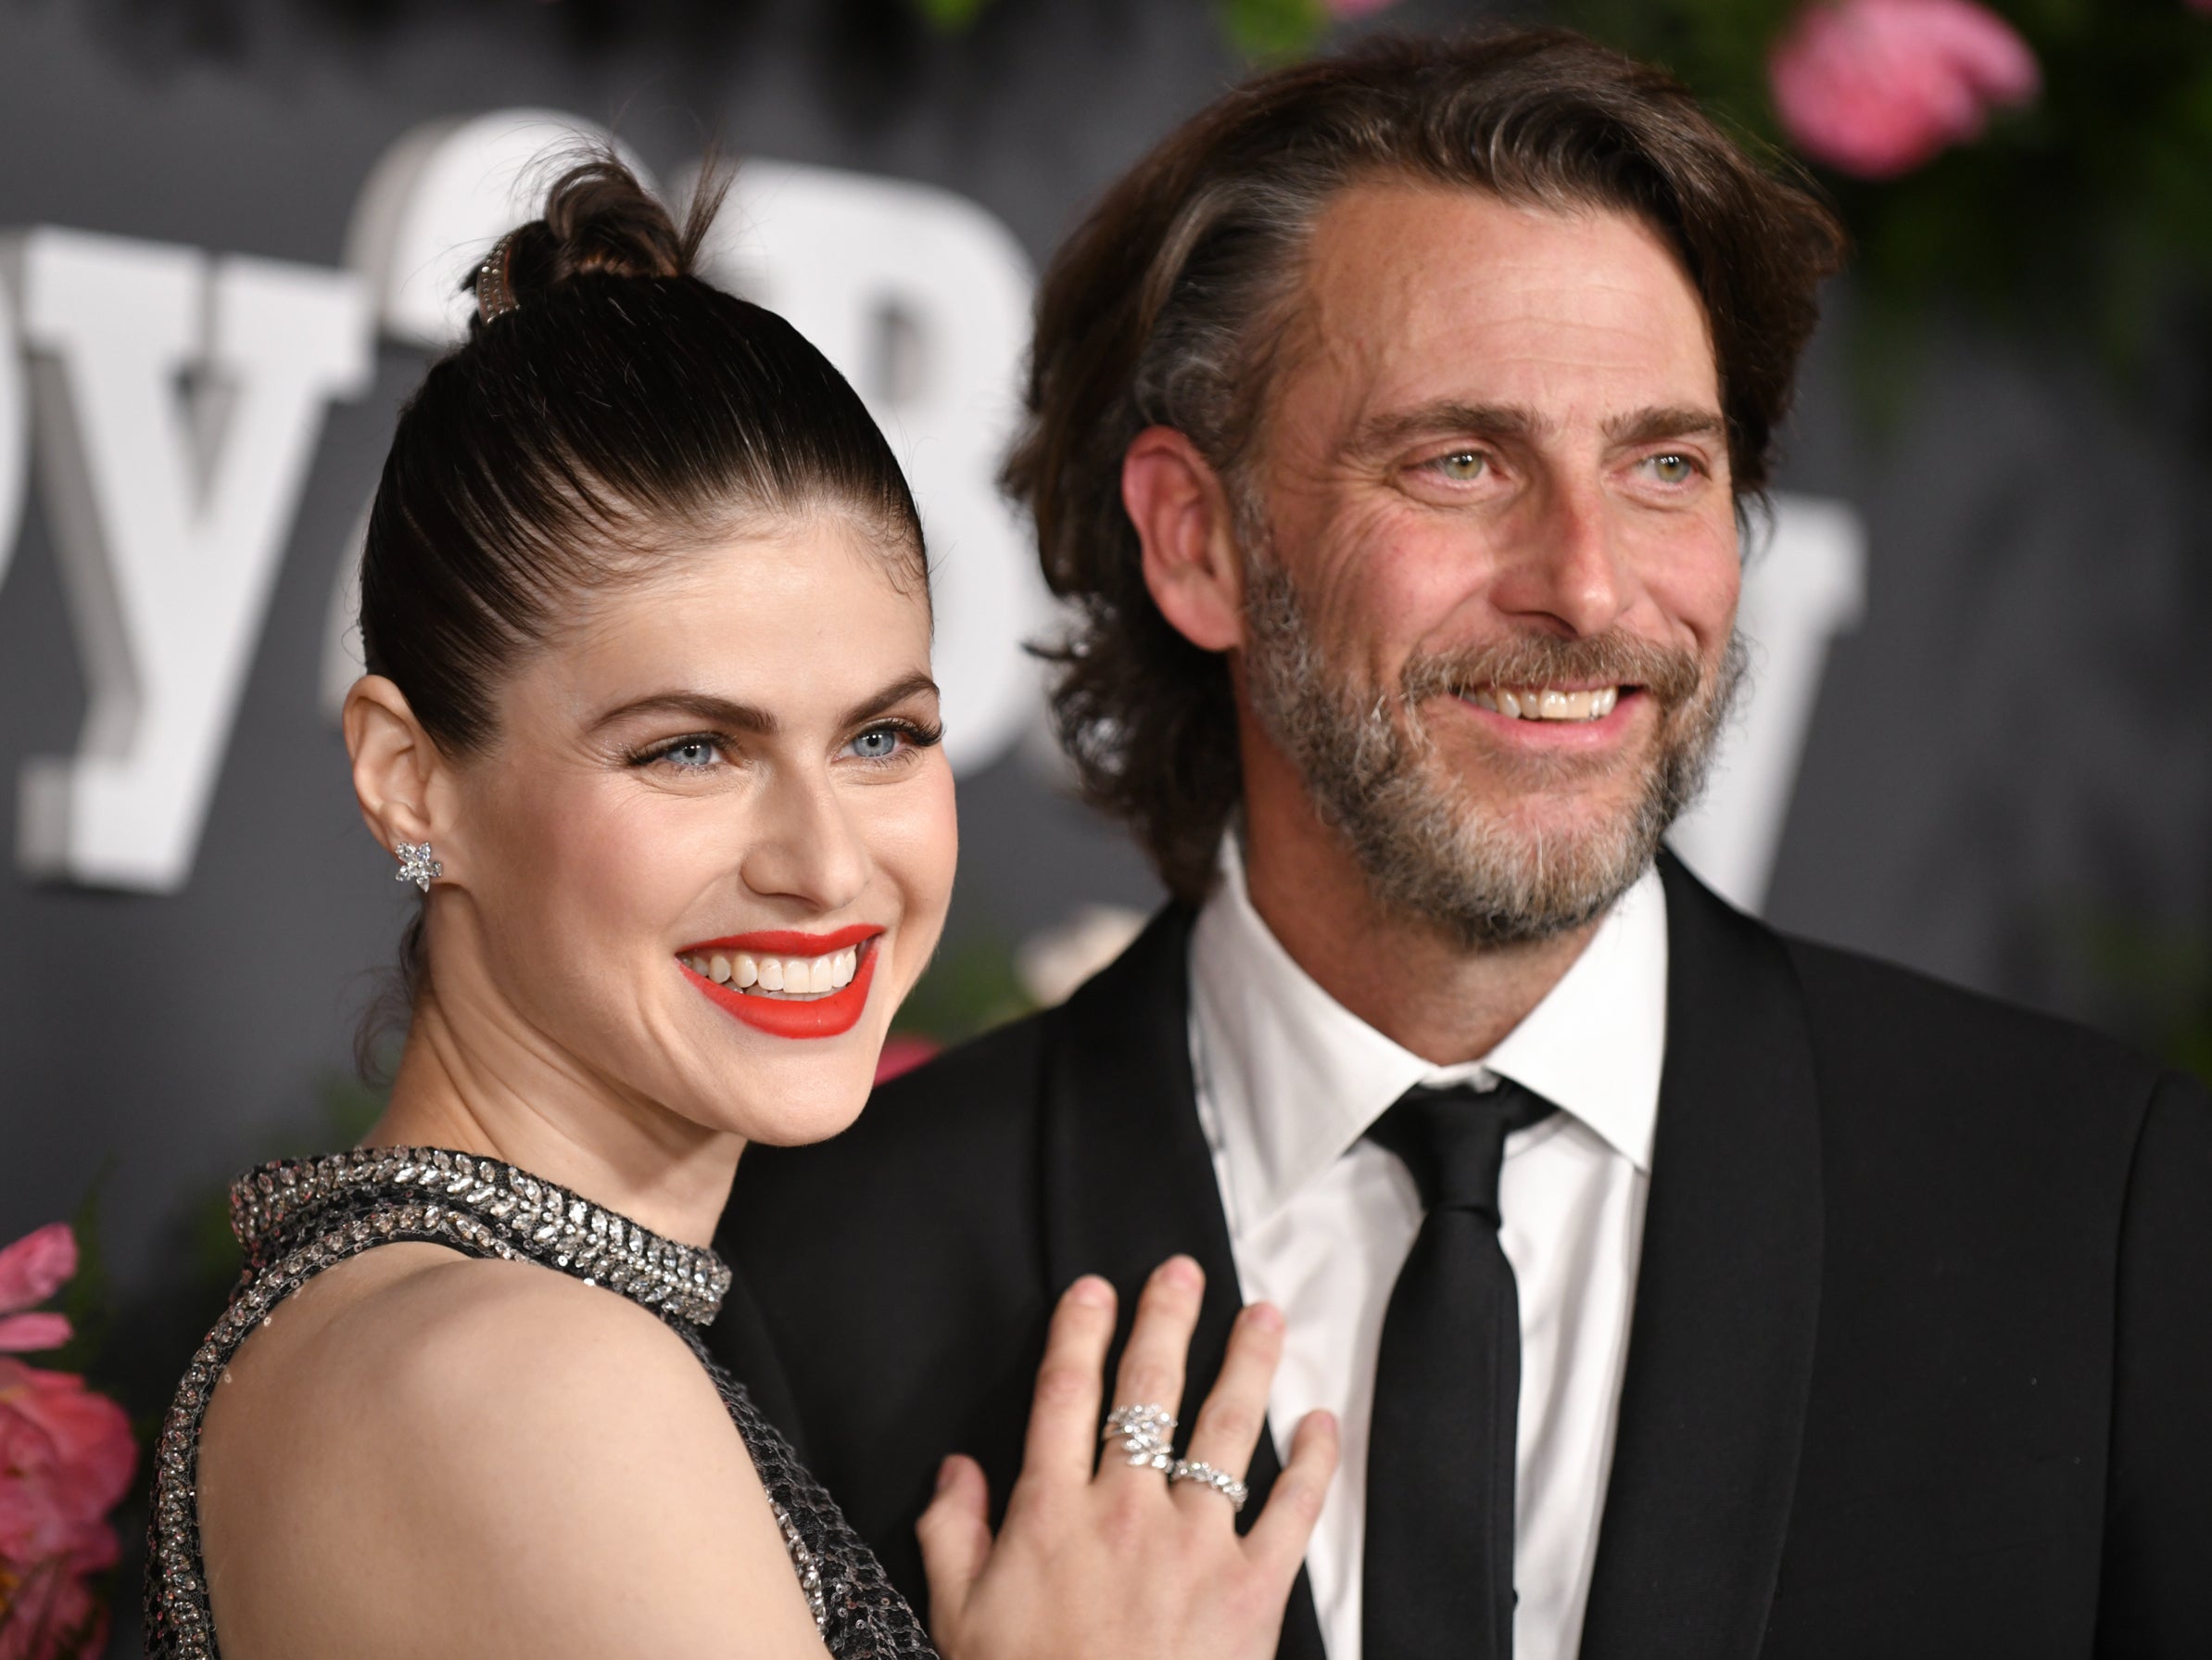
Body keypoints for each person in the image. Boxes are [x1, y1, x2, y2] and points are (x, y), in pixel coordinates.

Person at [714, 29, 2212, 1660]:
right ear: (1198, 540)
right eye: (1460, 461)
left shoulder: (2097, 1213)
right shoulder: (830, 1280)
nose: (1587, 583)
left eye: (1664, 465)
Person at [144, 158, 1338, 1660]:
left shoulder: (424, 1323)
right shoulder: (528, 1379)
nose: (827, 866)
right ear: (411, 779)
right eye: (690, 750)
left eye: (882, 738)